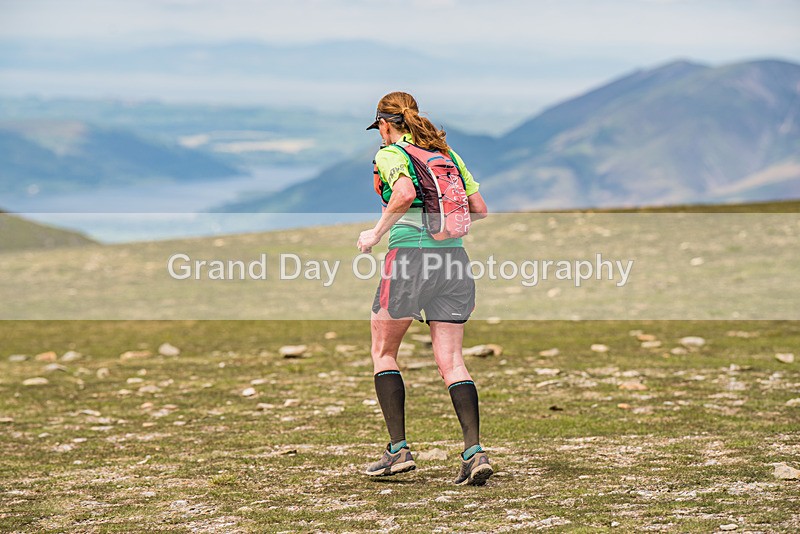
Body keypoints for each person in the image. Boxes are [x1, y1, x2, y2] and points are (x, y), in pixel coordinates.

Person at [356, 91, 493, 486]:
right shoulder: (446, 154)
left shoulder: (392, 153)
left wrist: (375, 234)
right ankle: (474, 452)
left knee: (383, 352)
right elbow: (479, 209)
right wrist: (443, 228)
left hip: (409, 261)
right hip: (454, 260)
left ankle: (397, 450)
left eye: (379, 128)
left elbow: (404, 194)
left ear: (385, 124)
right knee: (452, 360)